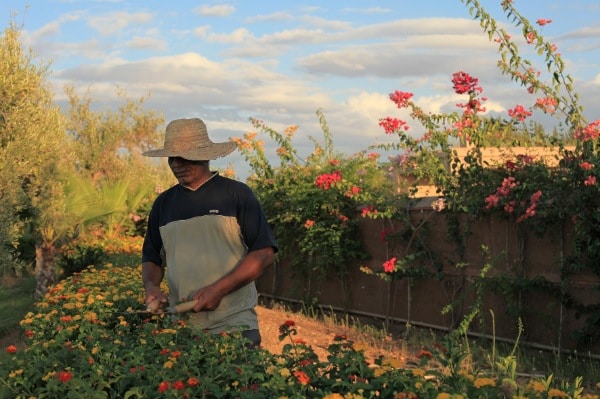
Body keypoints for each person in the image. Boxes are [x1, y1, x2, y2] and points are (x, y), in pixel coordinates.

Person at [141, 117, 278, 347]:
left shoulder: (236, 195)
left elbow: (264, 253)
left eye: (185, 157)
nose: (177, 164)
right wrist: (152, 287)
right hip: (183, 330)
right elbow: (152, 257)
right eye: (172, 157)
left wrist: (219, 289)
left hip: (235, 325)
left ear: (205, 155)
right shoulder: (163, 204)